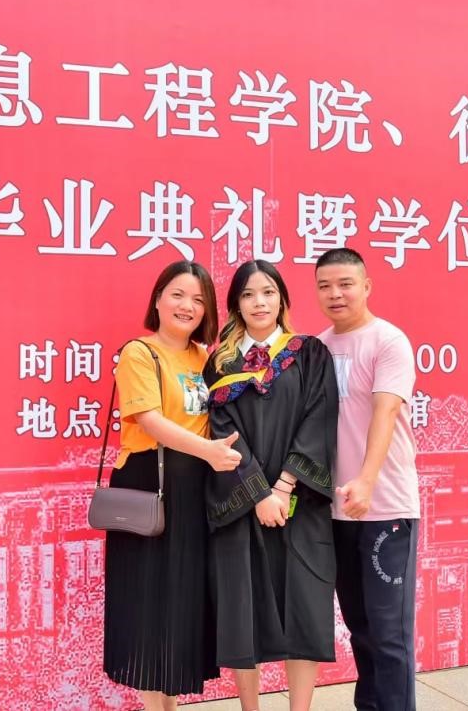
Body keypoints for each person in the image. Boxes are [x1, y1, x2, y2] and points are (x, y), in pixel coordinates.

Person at [104, 260, 244, 711]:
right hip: (149, 483)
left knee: (180, 602)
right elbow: (149, 420)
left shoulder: (205, 358)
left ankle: (172, 705)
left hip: (193, 488)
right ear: (158, 299)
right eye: (178, 295)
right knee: (148, 604)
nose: (187, 306)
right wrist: (208, 451)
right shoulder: (139, 353)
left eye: (198, 300)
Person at [203, 260, 339, 711]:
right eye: (248, 294)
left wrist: (282, 488)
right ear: (235, 305)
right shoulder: (221, 364)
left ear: (282, 299)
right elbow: (222, 432)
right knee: (244, 611)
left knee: (304, 609)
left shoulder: (309, 353)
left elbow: (319, 418)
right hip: (242, 503)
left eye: (267, 292)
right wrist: (258, 493)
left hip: (299, 501)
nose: (259, 303)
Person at [315, 248, 419, 711]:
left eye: (345, 284)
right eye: (324, 286)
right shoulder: (318, 347)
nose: (335, 294)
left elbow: (386, 410)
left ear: (366, 286)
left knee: (389, 632)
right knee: (360, 627)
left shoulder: (388, 341)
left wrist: (367, 481)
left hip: (385, 508)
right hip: (335, 510)